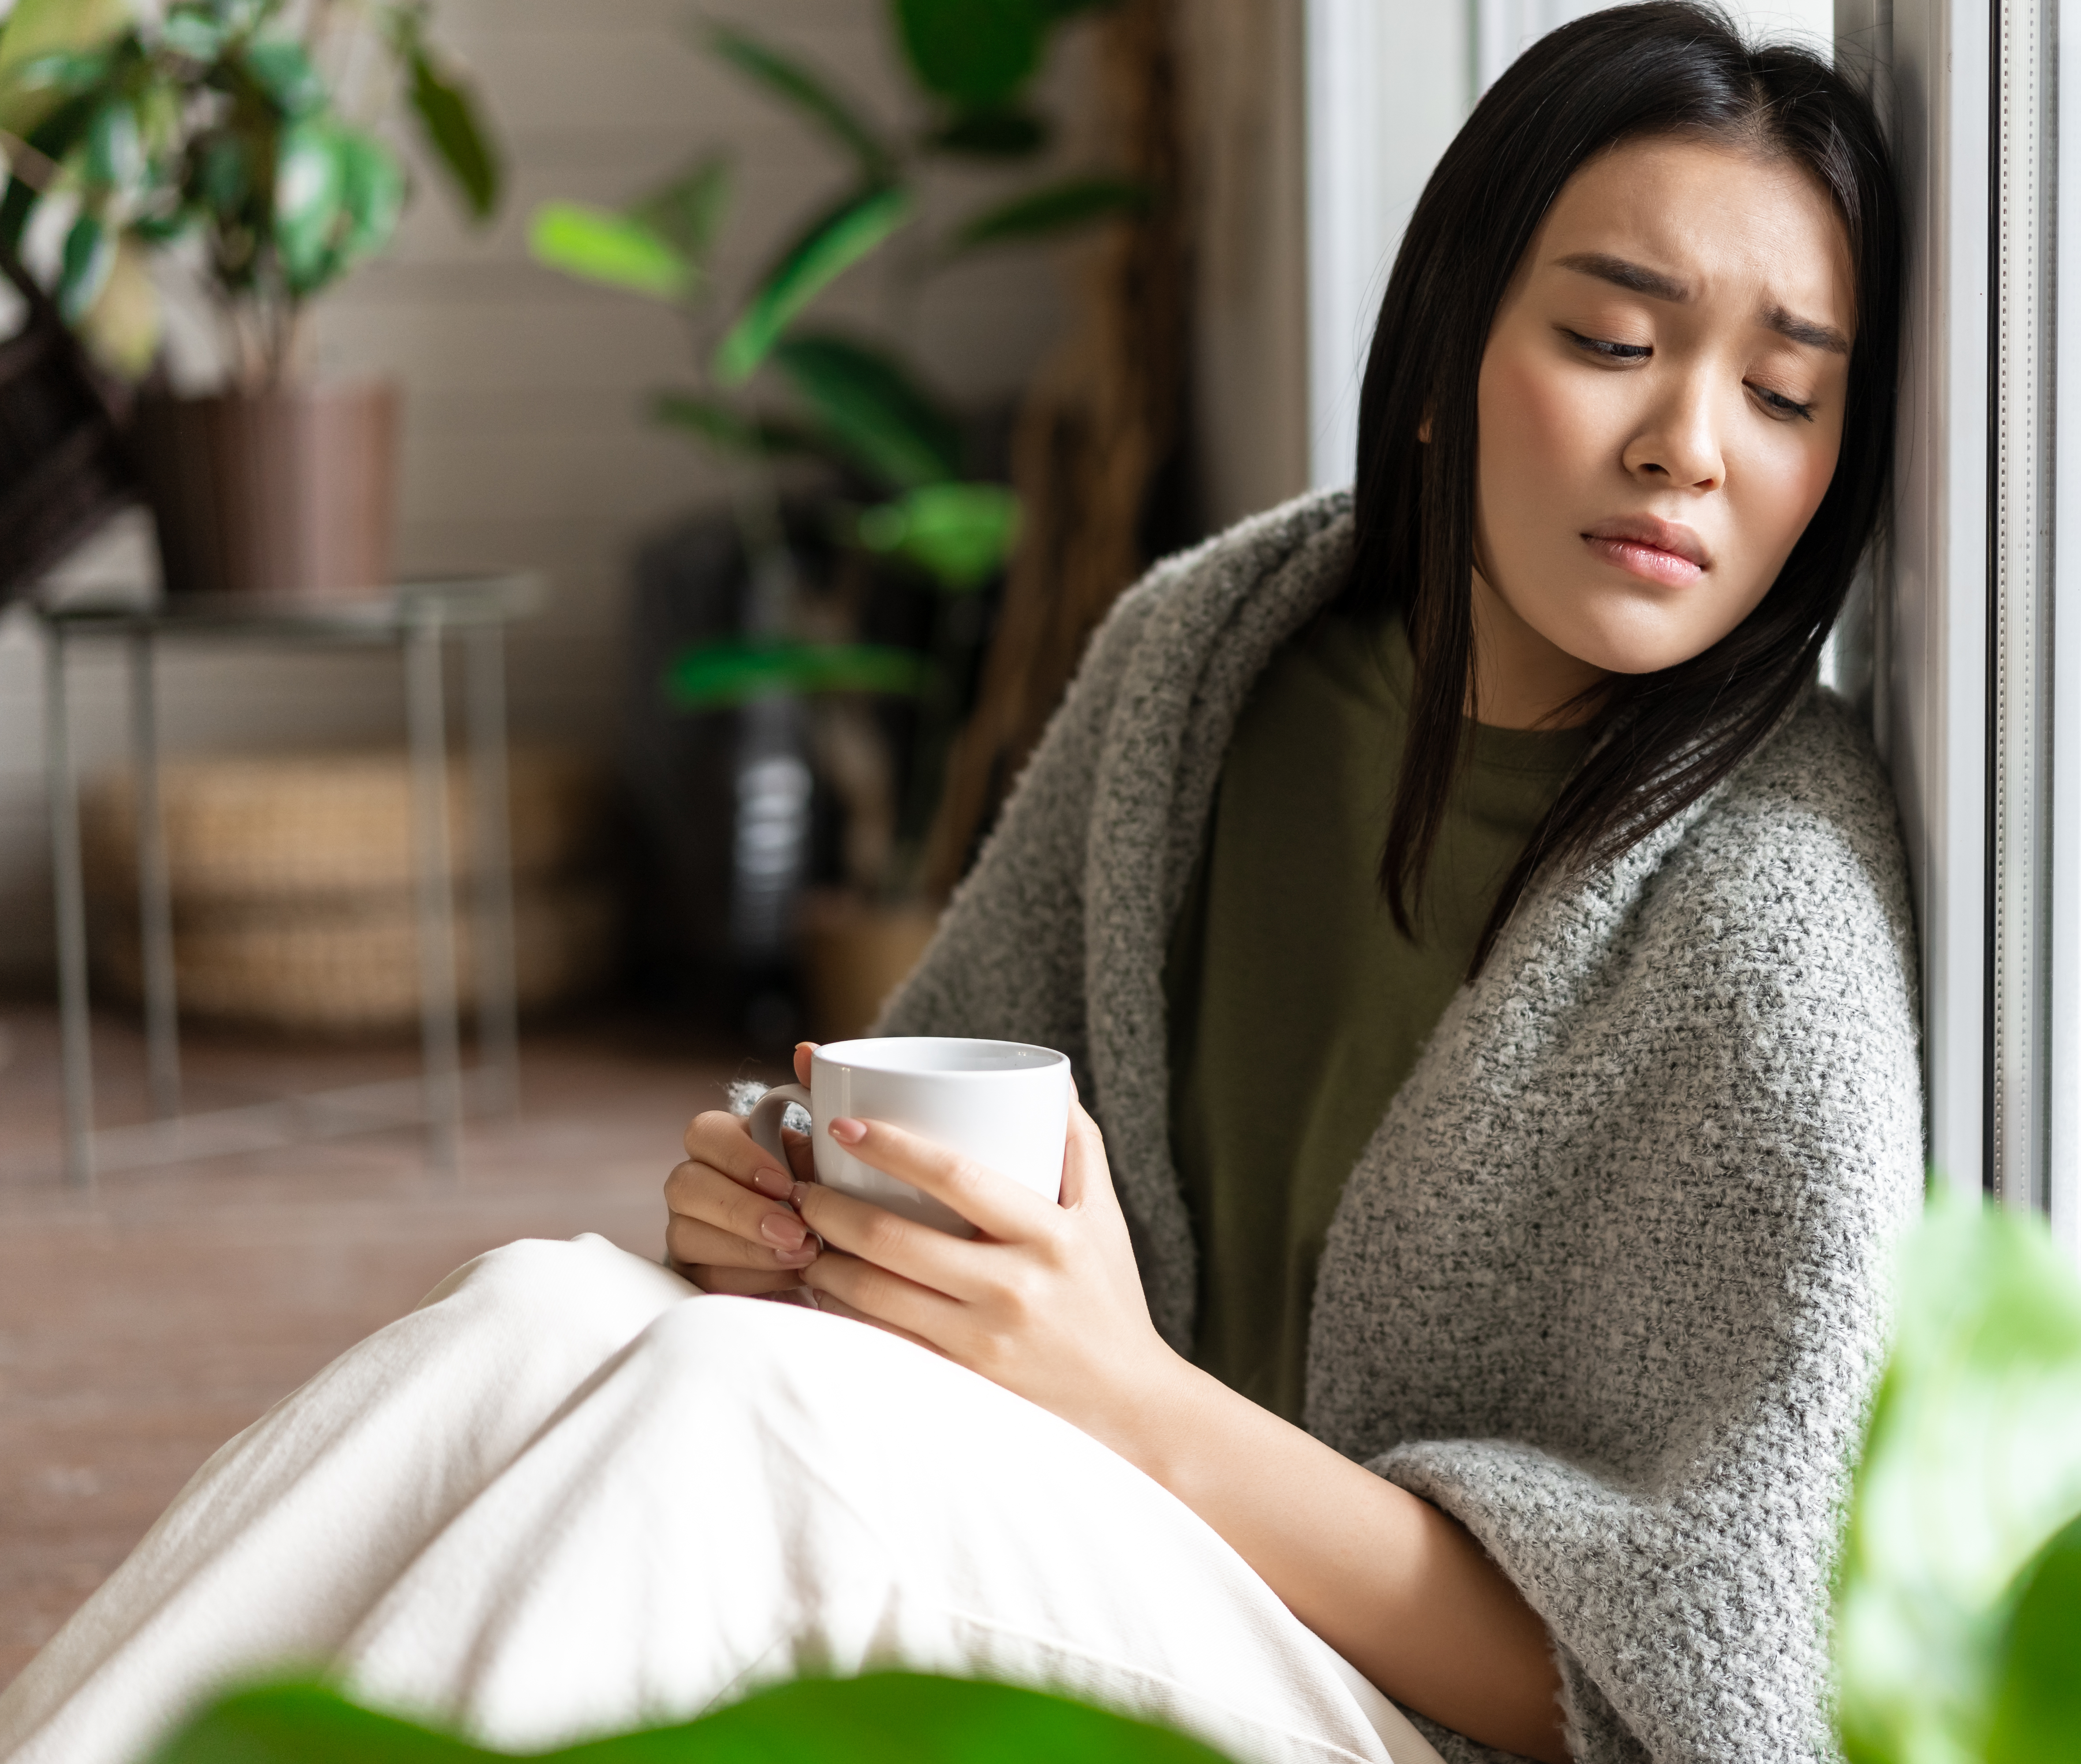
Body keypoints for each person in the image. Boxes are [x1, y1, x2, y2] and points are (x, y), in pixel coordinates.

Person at [0, 7, 1918, 1763]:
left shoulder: (1774, 923)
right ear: (1442, 358)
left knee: (741, 1433)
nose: (1689, 445)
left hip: (1397, 1713)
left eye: (1786, 395)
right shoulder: (1213, 659)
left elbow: (1704, 1685)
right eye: (1610, 340)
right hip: (1104, 1527)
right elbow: (933, 1086)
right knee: (537, 1311)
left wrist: (1122, 1392)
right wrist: (786, 1215)